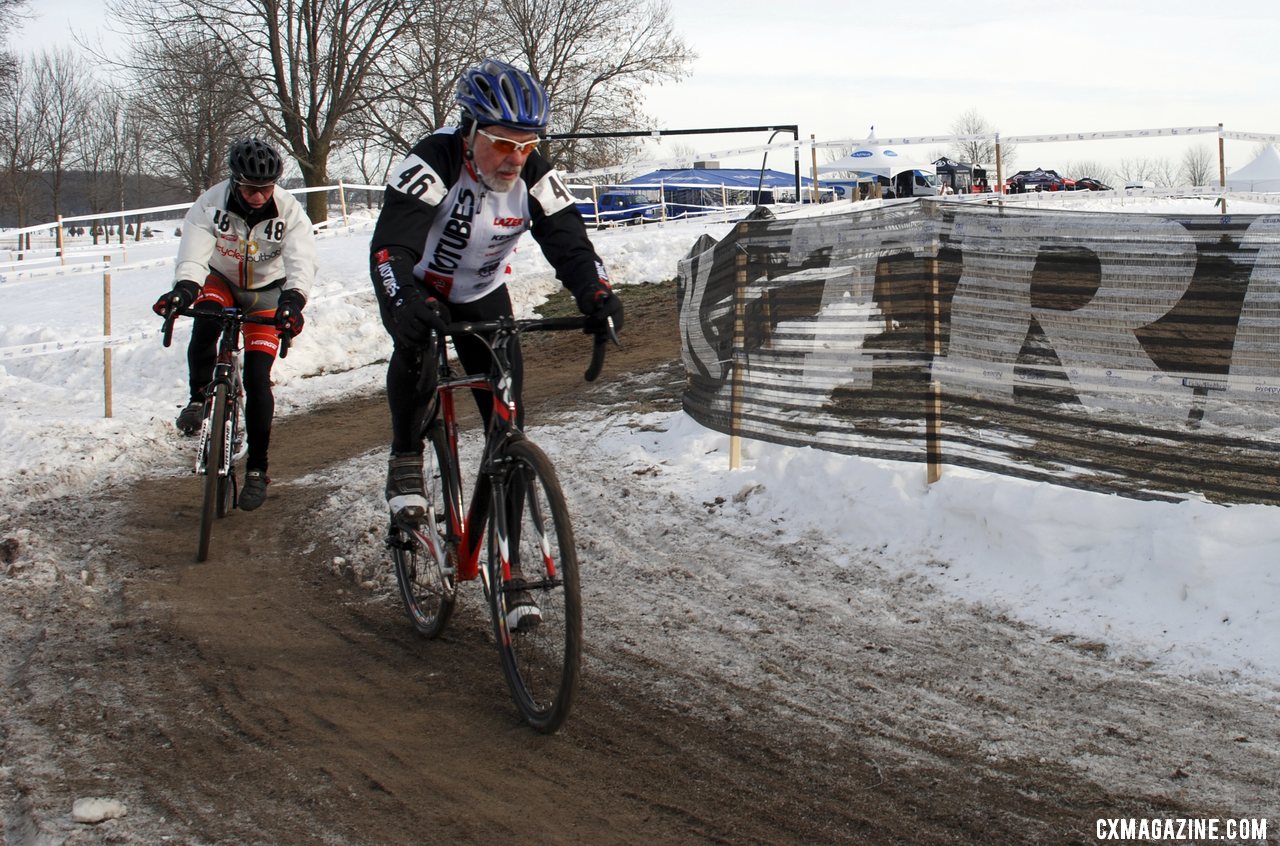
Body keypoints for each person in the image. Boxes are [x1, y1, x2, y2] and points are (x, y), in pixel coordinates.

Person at [368, 58, 623, 630]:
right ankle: (406, 457)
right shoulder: (432, 161)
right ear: (470, 131)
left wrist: (596, 292)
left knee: (508, 430)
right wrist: (403, 302)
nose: (515, 158)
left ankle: (509, 576)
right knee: (417, 353)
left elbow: (570, 241)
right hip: (422, 287)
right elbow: (391, 247)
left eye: (526, 145)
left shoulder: (533, 172)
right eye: (503, 143)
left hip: (483, 294)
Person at [153, 137, 319, 512]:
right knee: (207, 320)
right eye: (250, 188)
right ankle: (198, 398)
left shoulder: (290, 212)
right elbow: (194, 254)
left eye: (265, 189)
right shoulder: (210, 204)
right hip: (221, 280)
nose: (259, 196)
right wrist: (183, 289)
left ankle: (258, 470)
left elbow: (301, 261)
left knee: (259, 378)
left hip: (268, 290)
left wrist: (294, 300)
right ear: (235, 181)